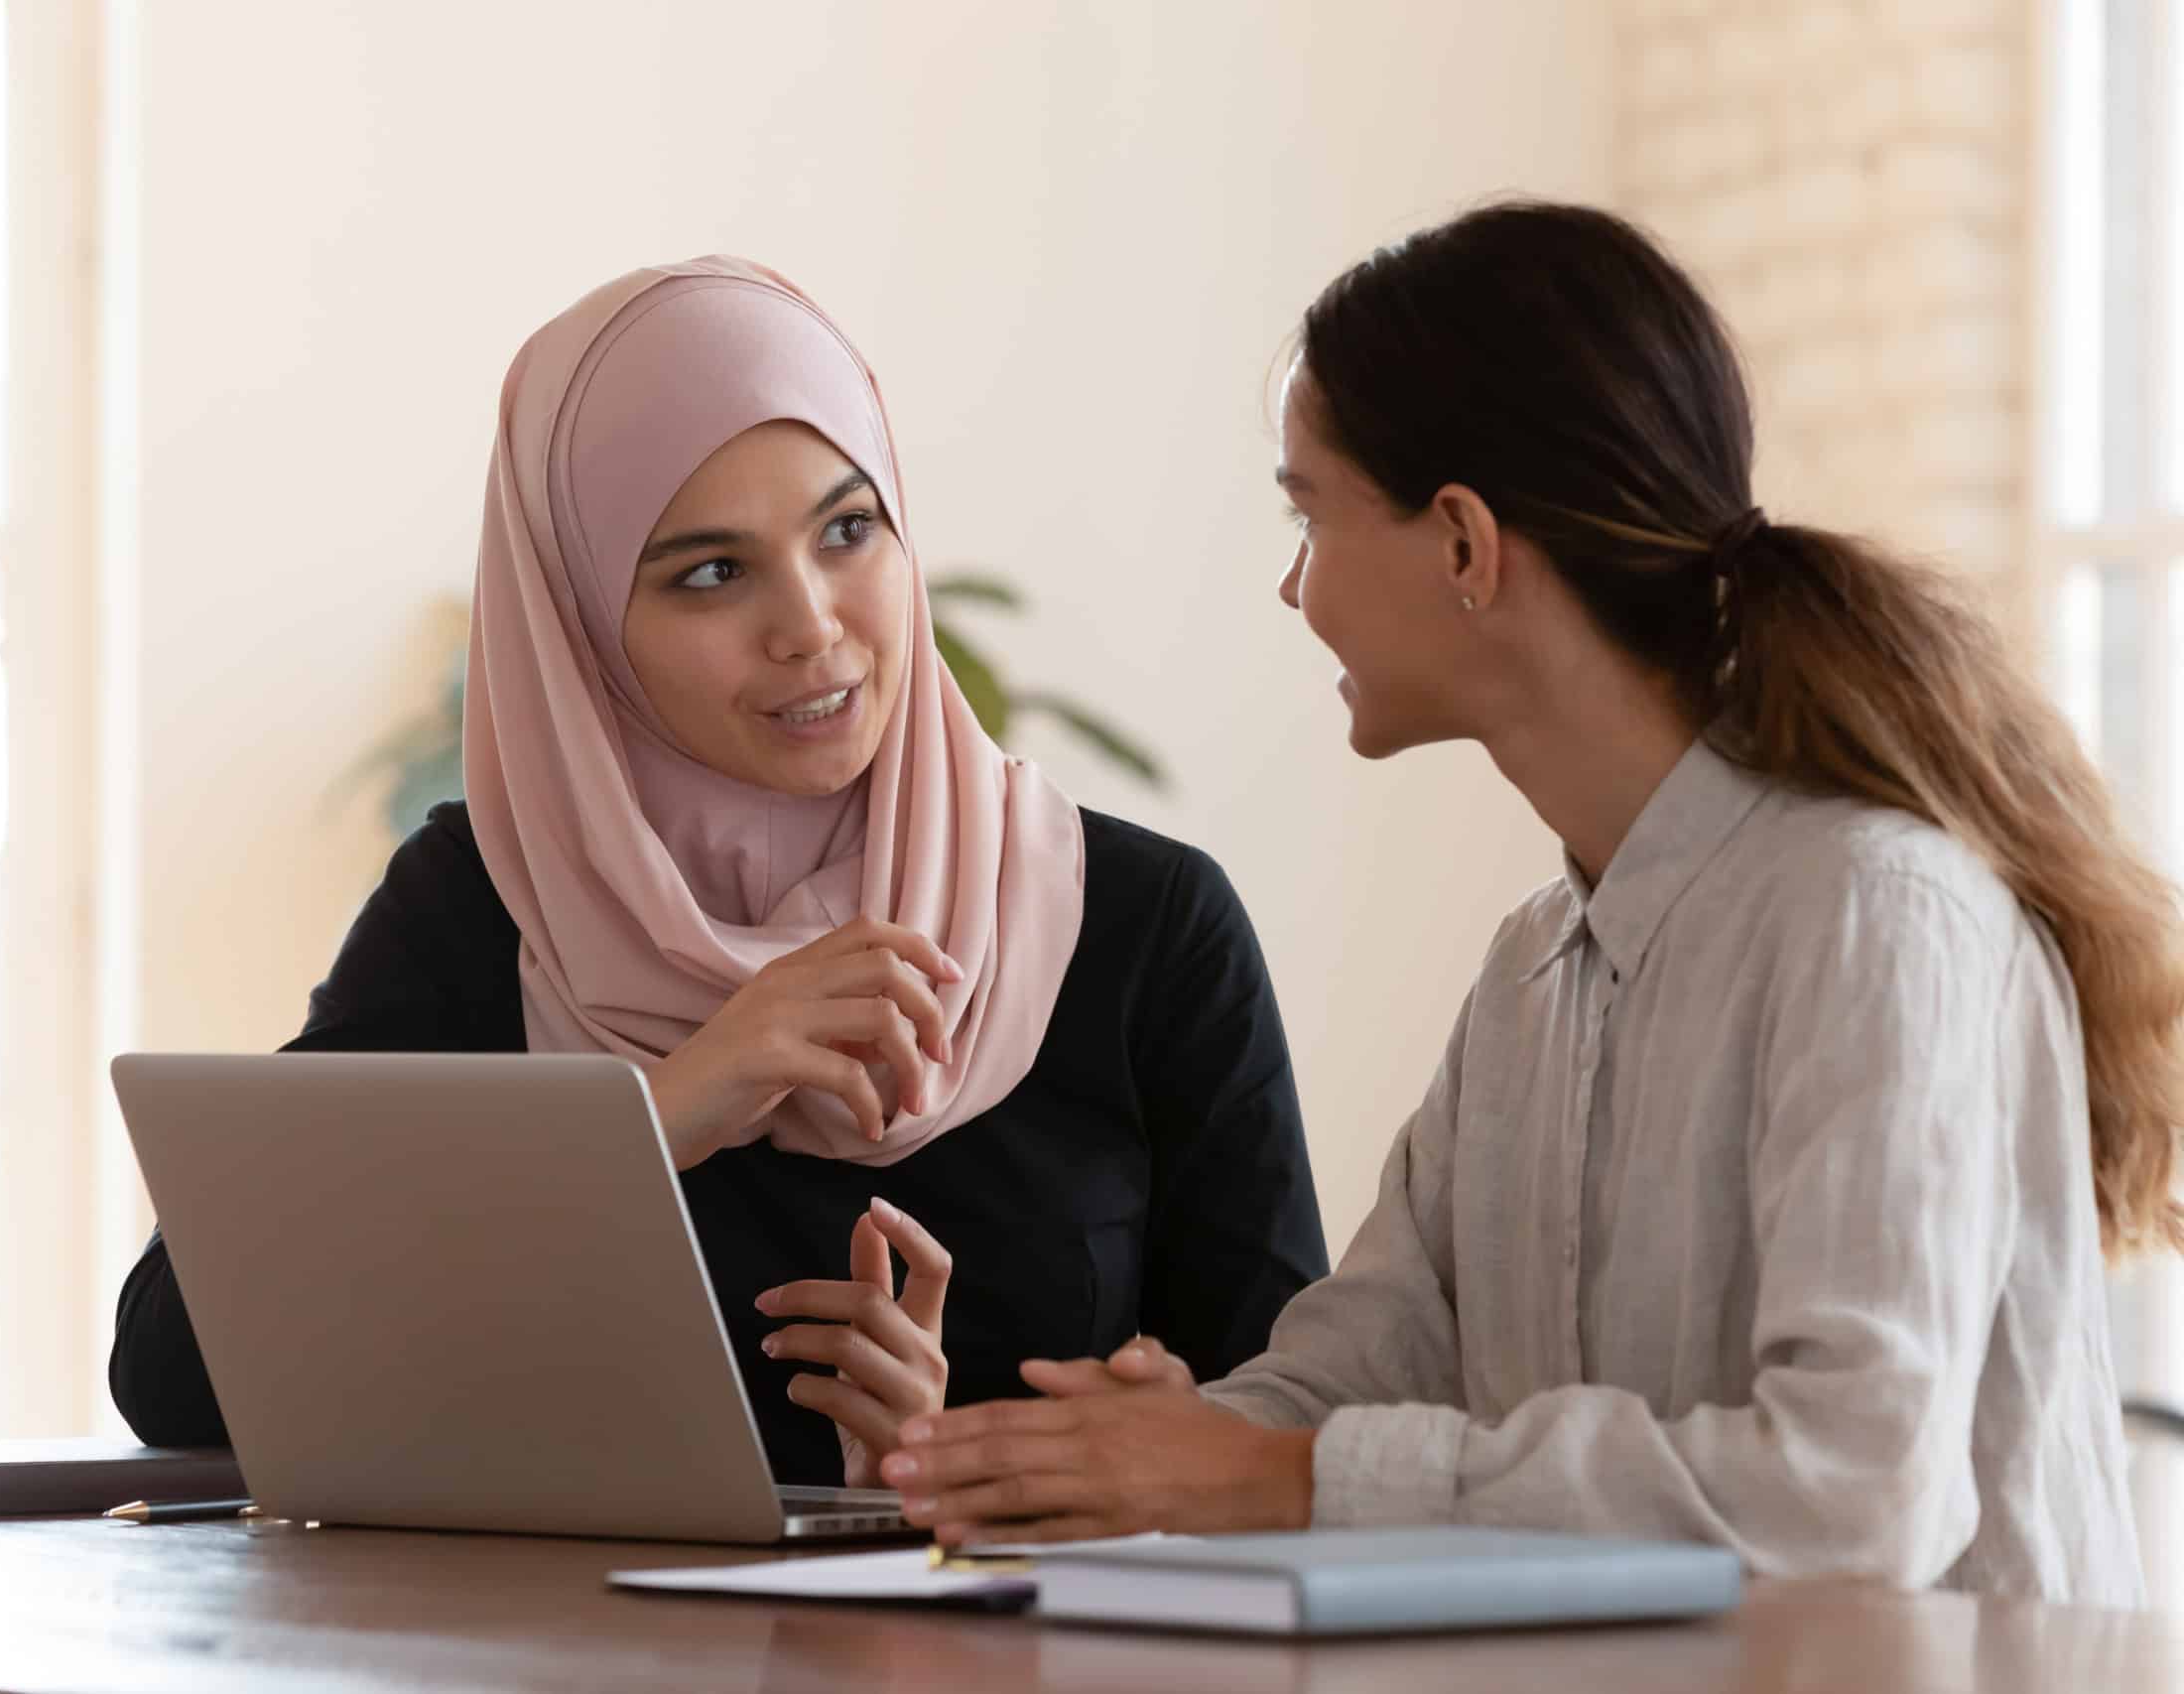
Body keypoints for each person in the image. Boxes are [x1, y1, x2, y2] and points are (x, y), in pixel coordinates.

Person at [882, 202, 2176, 1606]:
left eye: (1308, 513)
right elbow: (1353, 1369)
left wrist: (1282, 1476)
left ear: (1463, 547)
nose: (1289, 580)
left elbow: (1855, 1491)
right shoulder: (1529, 972)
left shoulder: (1878, 917)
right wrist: (1149, 1446)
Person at [107, 257, 1328, 1488]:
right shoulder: (491, 906)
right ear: (582, 627)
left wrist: (948, 1469)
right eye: (709, 573)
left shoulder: (1138, 925)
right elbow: (174, 1372)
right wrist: (657, 1117)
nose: (810, 625)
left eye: (848, 530)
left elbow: (1276, 1438)